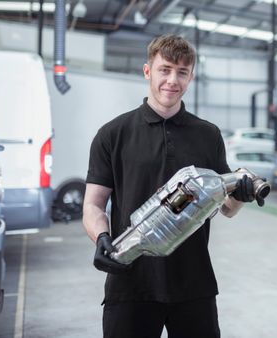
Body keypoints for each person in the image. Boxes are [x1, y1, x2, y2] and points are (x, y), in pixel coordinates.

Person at [82, 34, 258, 338]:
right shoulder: (113, 134)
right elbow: (94, 204)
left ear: (191, 77)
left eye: (182, 72)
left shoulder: (208, 135)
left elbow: (227, 207)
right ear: (148, 71)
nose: (172, 80)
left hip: (194, 283)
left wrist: (241, 196)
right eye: (165, 69)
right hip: (131, 280)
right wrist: (100, 237)